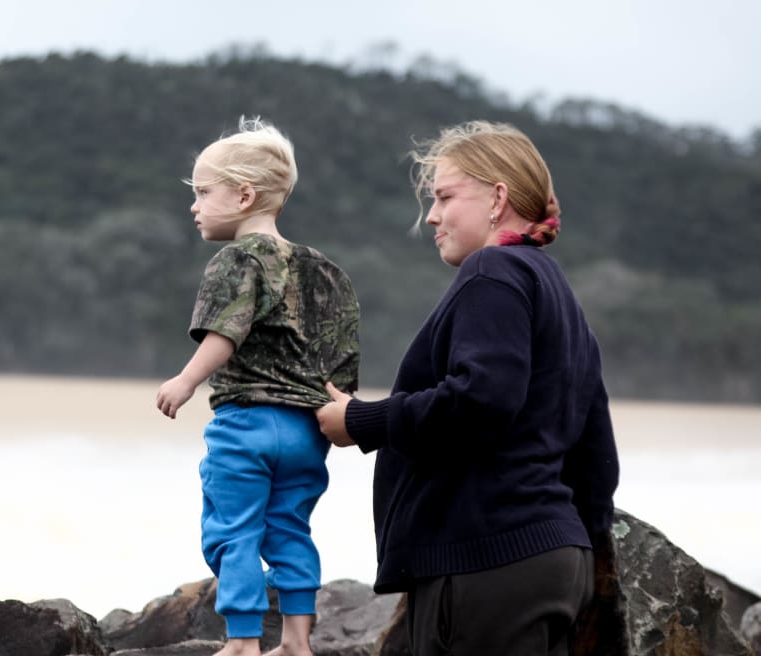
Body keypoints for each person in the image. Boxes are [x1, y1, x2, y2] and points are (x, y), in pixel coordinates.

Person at [315, 121, 619, 656]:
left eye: (444, 197)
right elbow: (596, 458)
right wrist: (590, 567)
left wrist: (361, 422)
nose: (431, 216)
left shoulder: (492, 270)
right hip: (552, 562)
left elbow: (482, 398)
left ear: (498, 197)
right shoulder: (560, 296)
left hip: (487, 563)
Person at [156, 117, 360, 656]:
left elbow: (227, 330)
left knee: (234, 529)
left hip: (245, 424)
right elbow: (341, 353)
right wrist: (344, 418)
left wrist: (186, 380)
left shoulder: (237, 259)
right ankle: (296, 642)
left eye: (203, 192)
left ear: (244, 195)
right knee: (290, 529)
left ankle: (242, 641)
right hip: (307, 430)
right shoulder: (326, 270)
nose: (195, 205)